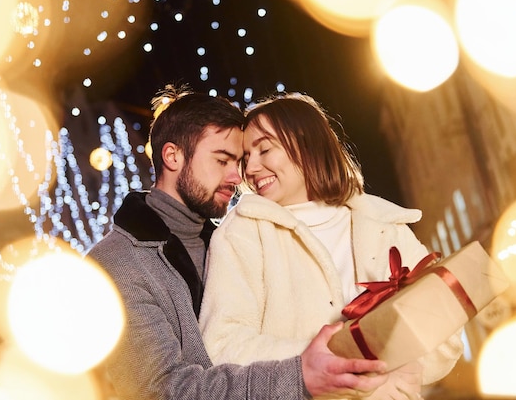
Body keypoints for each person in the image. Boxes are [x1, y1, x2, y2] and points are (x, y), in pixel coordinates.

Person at [87, 85, 389, 400]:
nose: (238, 176)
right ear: (173, 156)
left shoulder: (233, 240)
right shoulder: (113, 266)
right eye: (222, 160)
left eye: (239, 161)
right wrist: (299, 377)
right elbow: (162, 391)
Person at [198, 93, 465, 399]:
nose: (251, 168)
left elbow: (446, 329)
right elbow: (222, 346)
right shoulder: (242, 233)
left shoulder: (384, 224)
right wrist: (331, 363)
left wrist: (407, 367)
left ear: (306, 143)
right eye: (246, 158)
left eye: (264, 149)